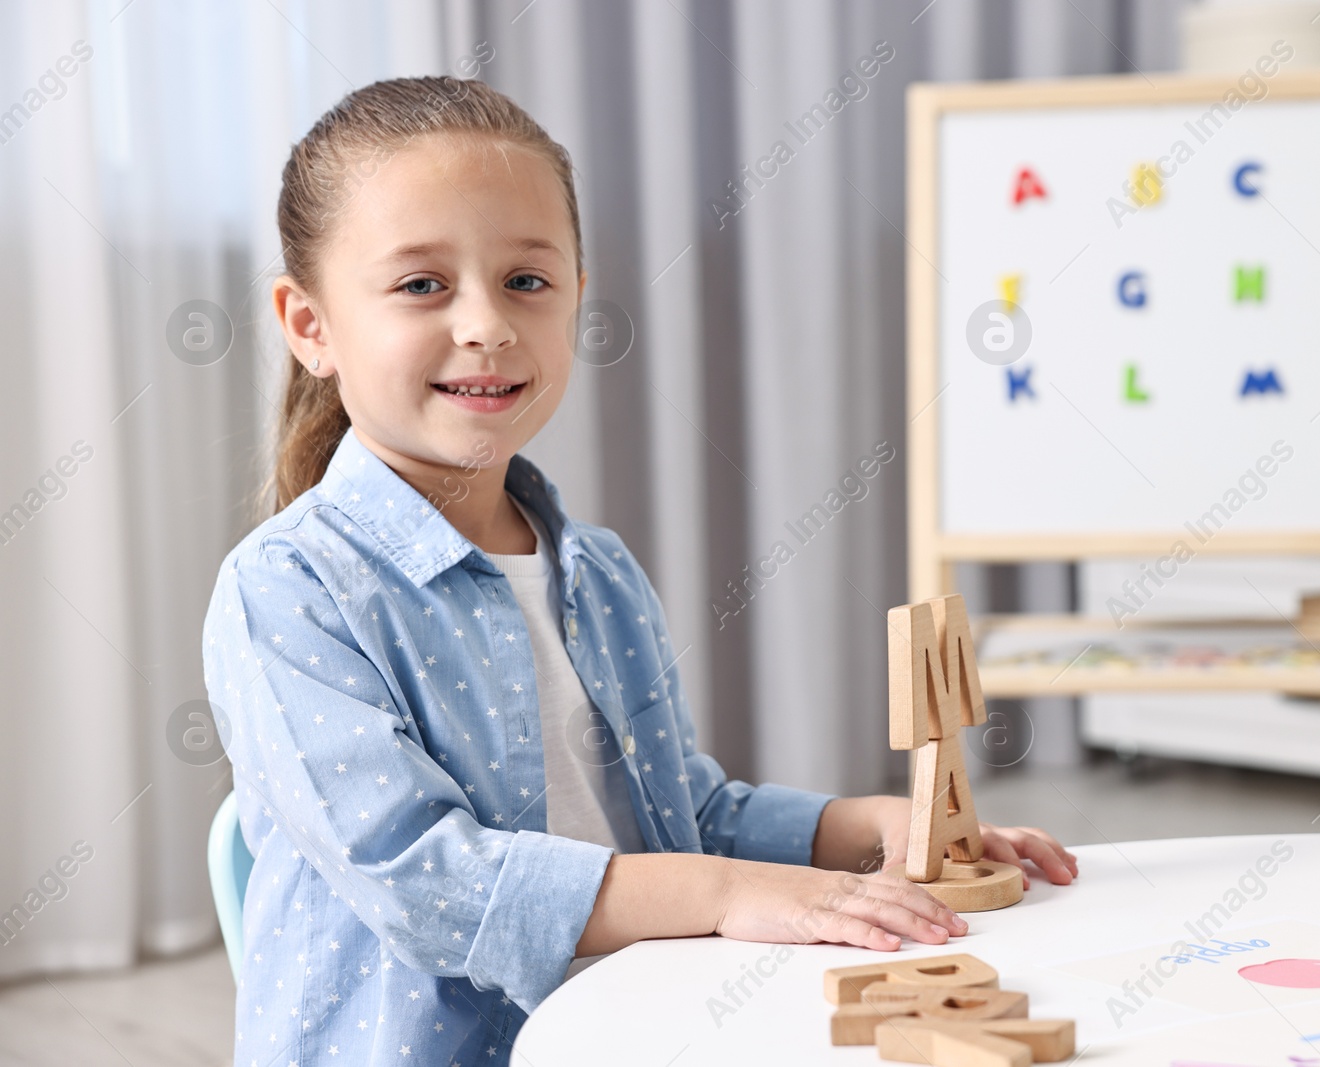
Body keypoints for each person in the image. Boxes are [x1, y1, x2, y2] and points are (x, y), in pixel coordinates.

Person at [201, 74, 1077, 1066]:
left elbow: (686, 814)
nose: (486, 322)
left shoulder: (597, 570)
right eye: (421, 284)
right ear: (309, 323)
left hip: (643, 1026)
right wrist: (723, 889)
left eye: (527, 280)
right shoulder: (287, 590)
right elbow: (426, 879)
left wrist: (876, 822)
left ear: (576, 294)